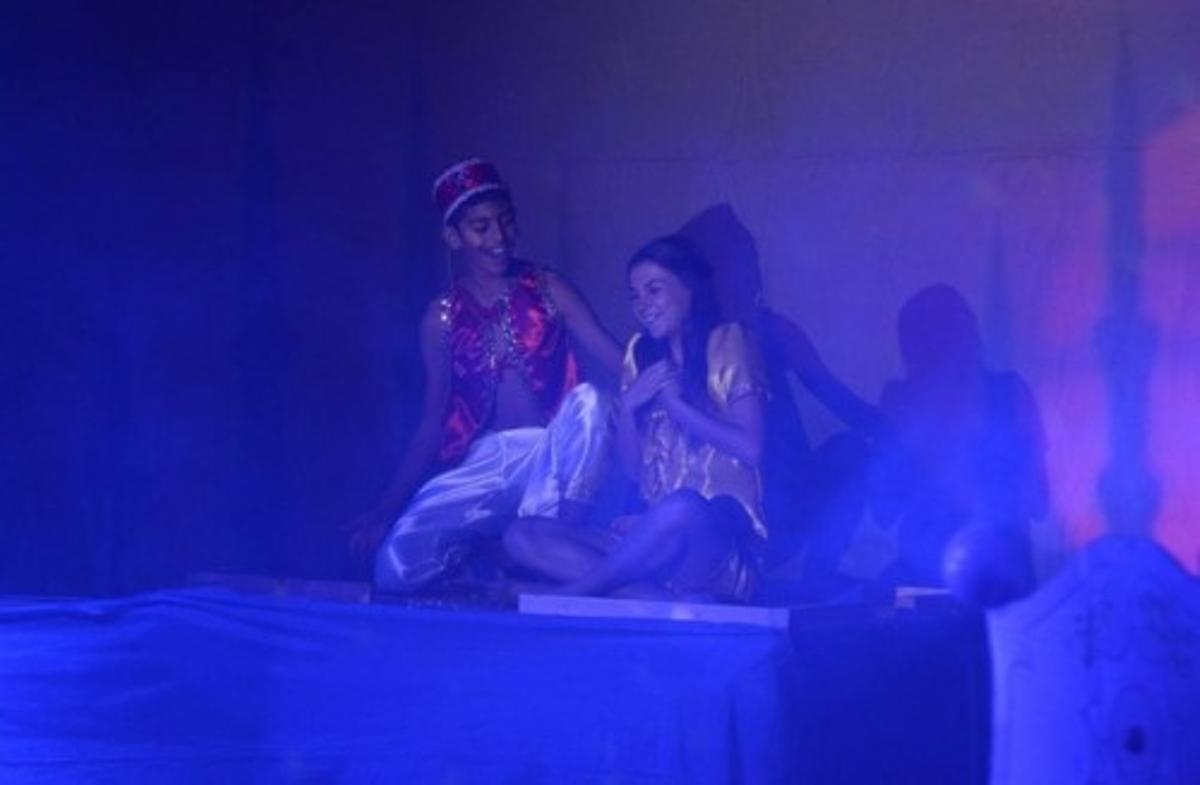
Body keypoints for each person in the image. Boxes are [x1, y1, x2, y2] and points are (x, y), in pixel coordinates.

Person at [348, 158, 622, 594]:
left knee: (592, 401)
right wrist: (386, 508)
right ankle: (492, 562)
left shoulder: (547, 287)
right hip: (487, 462)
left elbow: (616, 359)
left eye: (506, 223)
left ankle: (555, 542)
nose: (499, 238)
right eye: (482, 227)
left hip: (554, 449)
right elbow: (431, 422)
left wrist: (675, 385)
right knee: (395, 566)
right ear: (452, 237)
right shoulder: (440, 319)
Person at [503, 235, 767, 603]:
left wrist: (679, 408)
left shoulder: (728, 340)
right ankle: (650, 598)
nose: (643, 305)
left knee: (683, 507)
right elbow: (635, 472)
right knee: (522, 535)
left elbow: (751, 448)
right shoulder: (639, 354)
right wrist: (628, 408)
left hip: (716, 548)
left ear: (688, 287)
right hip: (657, 545)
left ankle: (574, 595)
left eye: (654, 290)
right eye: (635, 296)